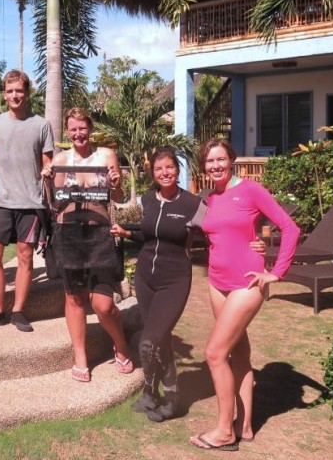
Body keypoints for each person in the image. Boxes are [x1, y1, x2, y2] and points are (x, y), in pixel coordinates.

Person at [189, 138, 299, 451]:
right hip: (216, 281)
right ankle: (245, 426)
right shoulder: (210, 196)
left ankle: (224, 431)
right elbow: (219, 234)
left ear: (232, 159)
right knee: (238, 353)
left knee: (214, 353)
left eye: (220, 159)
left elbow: (289, 227)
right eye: (210, 161)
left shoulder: (251, 190)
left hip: (247, 283)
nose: (215, 166)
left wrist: (276, 272)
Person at [110, 147, 206, 419]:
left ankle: (174, 400)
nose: (165, 173)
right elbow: (152, 236)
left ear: (177, 170)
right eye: (159, 169)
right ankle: (152, 394)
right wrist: (128, 232)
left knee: (148, 342)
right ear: (152, 173)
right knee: (160, 339)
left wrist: (252, 244)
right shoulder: (148, 200)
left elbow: (219, 230)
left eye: (170, 167)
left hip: (173, 281)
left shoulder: (192, 204)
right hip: (145, 278)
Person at [46, 108, 131, 380]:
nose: (78, 134)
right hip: (68, 234)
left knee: (104, 305)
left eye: (82, 128)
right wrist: (48, 182)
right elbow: (53, 203)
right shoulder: (60, 159)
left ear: (90, 129)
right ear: (67, 131)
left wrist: (117, 183)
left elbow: (117, 197)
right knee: (74, 297)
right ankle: (80, 356)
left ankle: (121, 343)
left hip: (99, 235)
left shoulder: (106, 155)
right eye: (73, 129)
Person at [0, 70, 53, 332]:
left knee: (25, 256)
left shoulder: (41, 124)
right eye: (10, 91)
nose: (14, 95)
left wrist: (49, 182)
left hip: (31, 202)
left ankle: (18, 311)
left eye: (19, 90)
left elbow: (47, 162)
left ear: (27, 92)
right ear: (4, 94)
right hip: (2, 200)